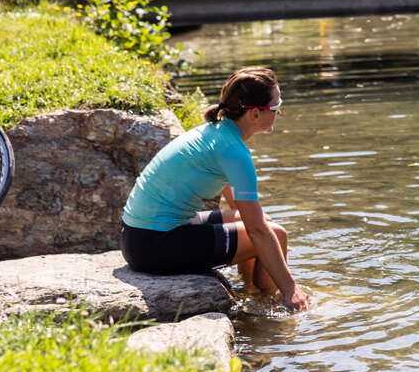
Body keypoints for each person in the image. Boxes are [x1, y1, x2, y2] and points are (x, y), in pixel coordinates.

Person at [121, 66, 309, 312]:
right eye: (276, 107)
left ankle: (248, 292)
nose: (279, 111)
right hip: (154, 246)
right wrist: (291, 287)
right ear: (254, 114)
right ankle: (274, 303)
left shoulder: (218, 133)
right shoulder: (234, 152)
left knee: (265, 226)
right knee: (277, 234)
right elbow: (257, 231)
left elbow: (242, 213)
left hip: (137, 237)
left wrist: (267, 251)